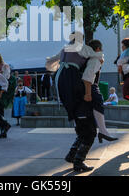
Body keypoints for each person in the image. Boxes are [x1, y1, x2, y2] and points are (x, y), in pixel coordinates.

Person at [46, 32, 104, 172]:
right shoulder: (83, 48)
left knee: (72, 105)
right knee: (88, 129)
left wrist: (54, 67)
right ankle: (78, 162)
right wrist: (99, 60)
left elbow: (50, 61)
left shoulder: (65, 48)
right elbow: (98, 56)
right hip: (72, 76)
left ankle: (72, 154)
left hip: (60, 78)